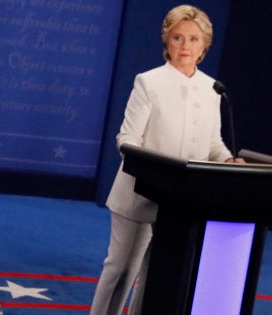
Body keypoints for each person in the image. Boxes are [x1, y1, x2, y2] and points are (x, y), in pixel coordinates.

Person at [89, 5, 244, 315]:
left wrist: (228, 161)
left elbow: (213, 143)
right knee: (122, 269)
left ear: (204, 46)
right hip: (139, 192)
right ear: (166, 41)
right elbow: (127, 139)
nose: (185, 46)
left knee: (155, 275)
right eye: (177, 38)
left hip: (183, 201)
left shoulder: (212, 89)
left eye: (193, 39)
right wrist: (156, 168)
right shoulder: (149, 82)